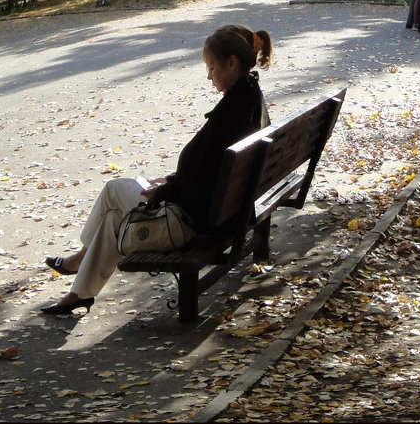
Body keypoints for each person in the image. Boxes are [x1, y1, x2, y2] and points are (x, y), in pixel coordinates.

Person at [39, 24, 274, 315]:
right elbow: (211, 171)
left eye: (212, 67)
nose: (209, 76)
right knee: (114, 216)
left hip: (192, 222)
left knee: (114, 196)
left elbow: (202, 179)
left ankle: (79, 263)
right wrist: (171, 180)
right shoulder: (250, 96)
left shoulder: (230, 113)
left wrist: (162, 191)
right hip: (222, 211)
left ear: (232, 62)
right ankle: (79, 292)